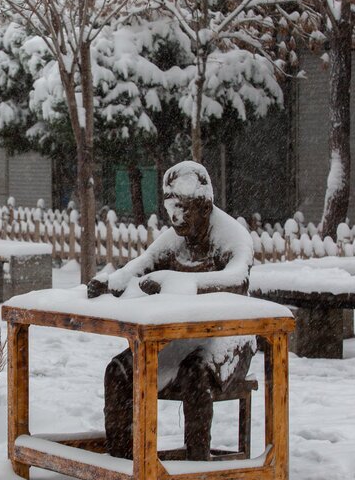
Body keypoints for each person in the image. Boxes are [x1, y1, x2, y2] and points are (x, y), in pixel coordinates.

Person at [87, 161, 255, 460]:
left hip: (230, 337)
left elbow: (237, 280)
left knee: (195, 373)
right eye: (171, 210)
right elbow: (142, 265)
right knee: (119, 371)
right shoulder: (174, 239)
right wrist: (109, 282)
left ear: (205, 206)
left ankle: (196, 465)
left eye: (184, 210)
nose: (176, 218)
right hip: (182, 338)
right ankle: (123, 462)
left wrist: (178, 282)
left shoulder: (232, 236)